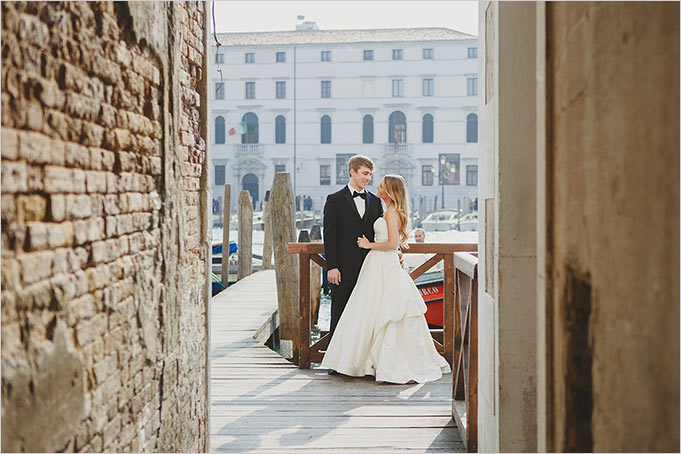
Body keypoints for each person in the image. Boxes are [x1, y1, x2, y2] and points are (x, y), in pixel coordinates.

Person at [321, 175, 451, 384]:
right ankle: (364, 360)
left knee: (387, 311)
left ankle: (387, 362)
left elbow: (390, 243)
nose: (376, 186)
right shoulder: (384, 209)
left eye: (380, 185)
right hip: (375, 264)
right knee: (367, 311)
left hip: (383, 262)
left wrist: (368, 245)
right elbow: (392, 243)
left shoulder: (391, 212)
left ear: (389, 190)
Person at [323, 155, 384, 343]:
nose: (368, 178)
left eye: (370, 175)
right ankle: (335, 360)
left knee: (366, 316)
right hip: (342, 269)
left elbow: (381, 233)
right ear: (352, 172)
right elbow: (330, 236)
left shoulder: (375, 201)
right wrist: (332, 266)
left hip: (369, 268)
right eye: (365, 173)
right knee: (339, 312)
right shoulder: (334, 199)